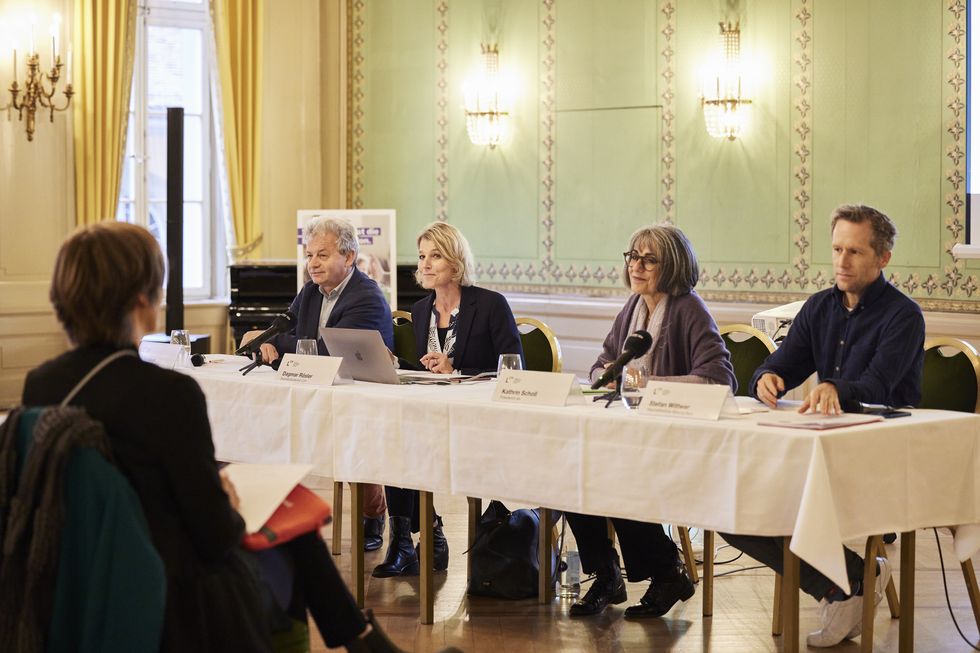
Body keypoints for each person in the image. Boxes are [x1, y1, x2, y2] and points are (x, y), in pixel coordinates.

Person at [21, 222, 434, 653]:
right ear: (144, 301)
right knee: (288, 514)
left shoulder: (39, 388)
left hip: (65, 579)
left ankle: (361, 638)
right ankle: (361, 640)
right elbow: (217, 533)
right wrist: (231, 503)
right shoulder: (170, 395)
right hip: (166, 594)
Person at [720, 204, 924, 647]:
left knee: (768, 500)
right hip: (819, 446)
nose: (842, 261)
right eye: (836, 249)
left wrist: (835, 386)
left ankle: (843, 587)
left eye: (854, 251)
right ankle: (850, 581)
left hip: (882, 453)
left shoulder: (903, 316)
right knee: (730, 506)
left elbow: (878, 384)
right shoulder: (818, 307)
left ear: (882, 257)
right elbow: (782, 363)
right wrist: (766, 378)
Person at [565, 223, 736, 619]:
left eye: (649, 259)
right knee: (571, 471)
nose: (637, 266)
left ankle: (667, 573)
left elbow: (719, 378)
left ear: (671, 264)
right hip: (630, 432)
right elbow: (602, 365)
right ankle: (606, 573)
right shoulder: (634, 307)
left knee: (614, 474)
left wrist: (650, 386)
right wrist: (605, 378)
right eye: (633, 257)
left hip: (676, 439)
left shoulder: (688, 309)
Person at [373, 221, 523, 578]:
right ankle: (406, 543)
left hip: (479, 419)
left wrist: (458, 368)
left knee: (406, 442)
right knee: (395, 440)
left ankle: (428, 533)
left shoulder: (490, 305)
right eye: (422, 256)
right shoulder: (422, 309)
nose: (424, 264)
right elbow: (430, 371)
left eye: (435, 256)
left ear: (455, 262)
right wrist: (397, 364)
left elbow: (514, 368)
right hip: (433, 414)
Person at [241, 216, 393, 552]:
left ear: (349, 257)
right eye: (309, 255)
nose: (312, 264)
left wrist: (276, 343)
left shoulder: (366, 296)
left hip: (360, 397)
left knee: (351, 439)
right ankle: (273, 509)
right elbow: (287, 328)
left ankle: (374, 513)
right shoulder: (311, 291)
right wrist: (267, 338)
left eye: (322, 255)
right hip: (317, 387)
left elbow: (328, 351)